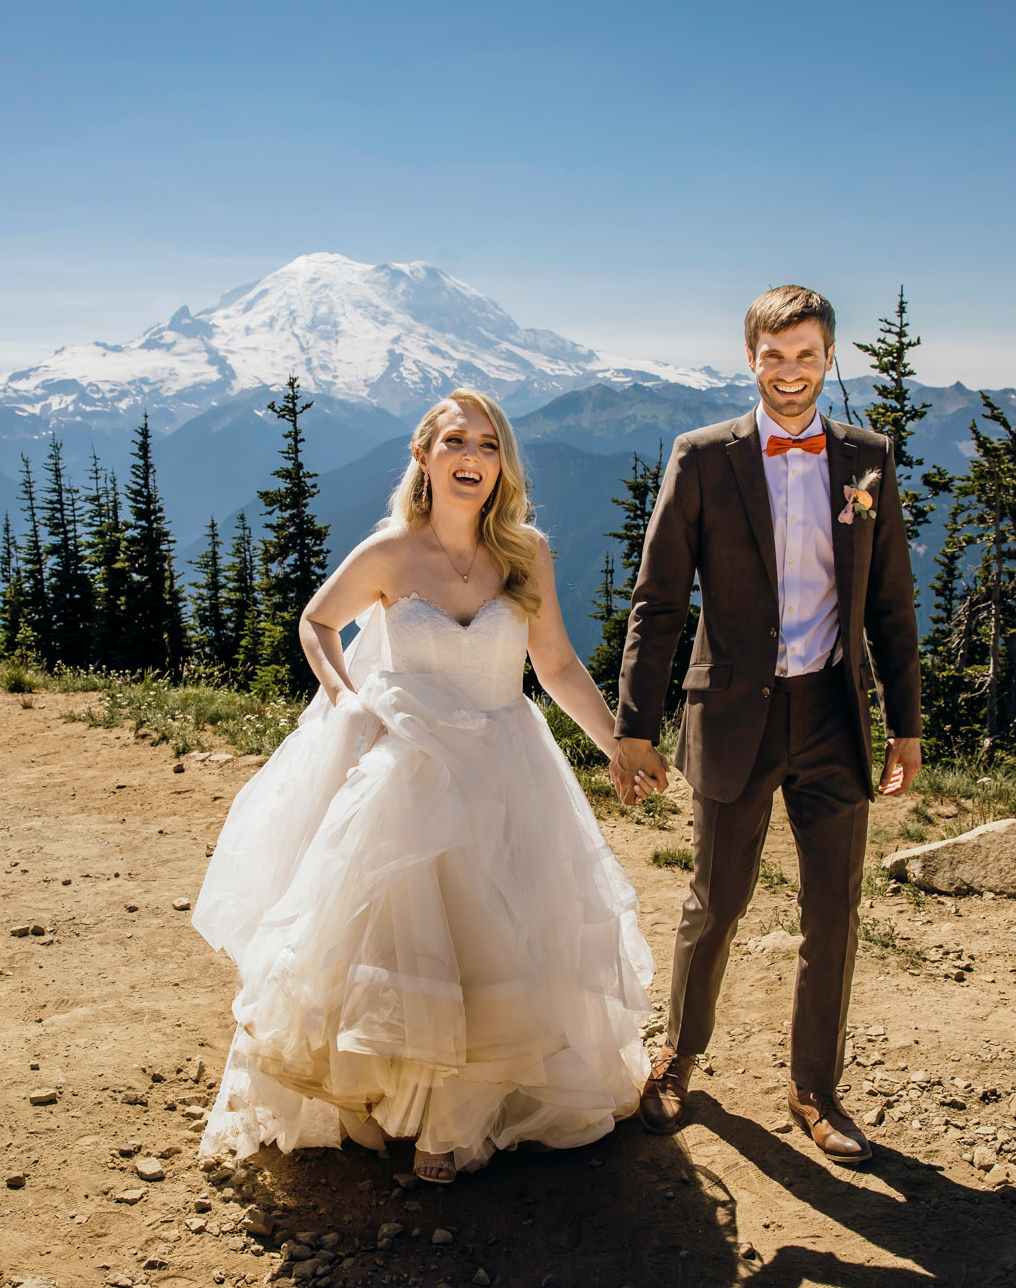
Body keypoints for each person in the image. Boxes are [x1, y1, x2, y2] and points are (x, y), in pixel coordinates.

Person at [193, 389, 655, 1184]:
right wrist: (348, 702)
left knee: (499, 944)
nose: (471, 456)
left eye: (486, 443)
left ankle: (456, 1116)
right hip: (411, 767)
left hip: (509, 766)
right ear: (424, 456)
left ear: (501, 462)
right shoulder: (390, 551)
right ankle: (397, 1102)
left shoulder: (525, 552)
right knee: (412, 941)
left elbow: (554, 665)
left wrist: (617, 742)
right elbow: (315, 621)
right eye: (454, 441)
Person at [612, 284, 922, 1164]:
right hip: (732, 714)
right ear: (750, 358)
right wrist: (635, 726)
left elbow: (892, 602)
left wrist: (906, 723)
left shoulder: (867, 459)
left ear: (830, 359)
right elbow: (658, 599)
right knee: (715, 901)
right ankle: (679, 1056)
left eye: (808, 355)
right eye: (774, 356)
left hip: (834, 712)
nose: (791, 373)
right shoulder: (704, 457)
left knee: (835, 910)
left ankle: (815, 1088)